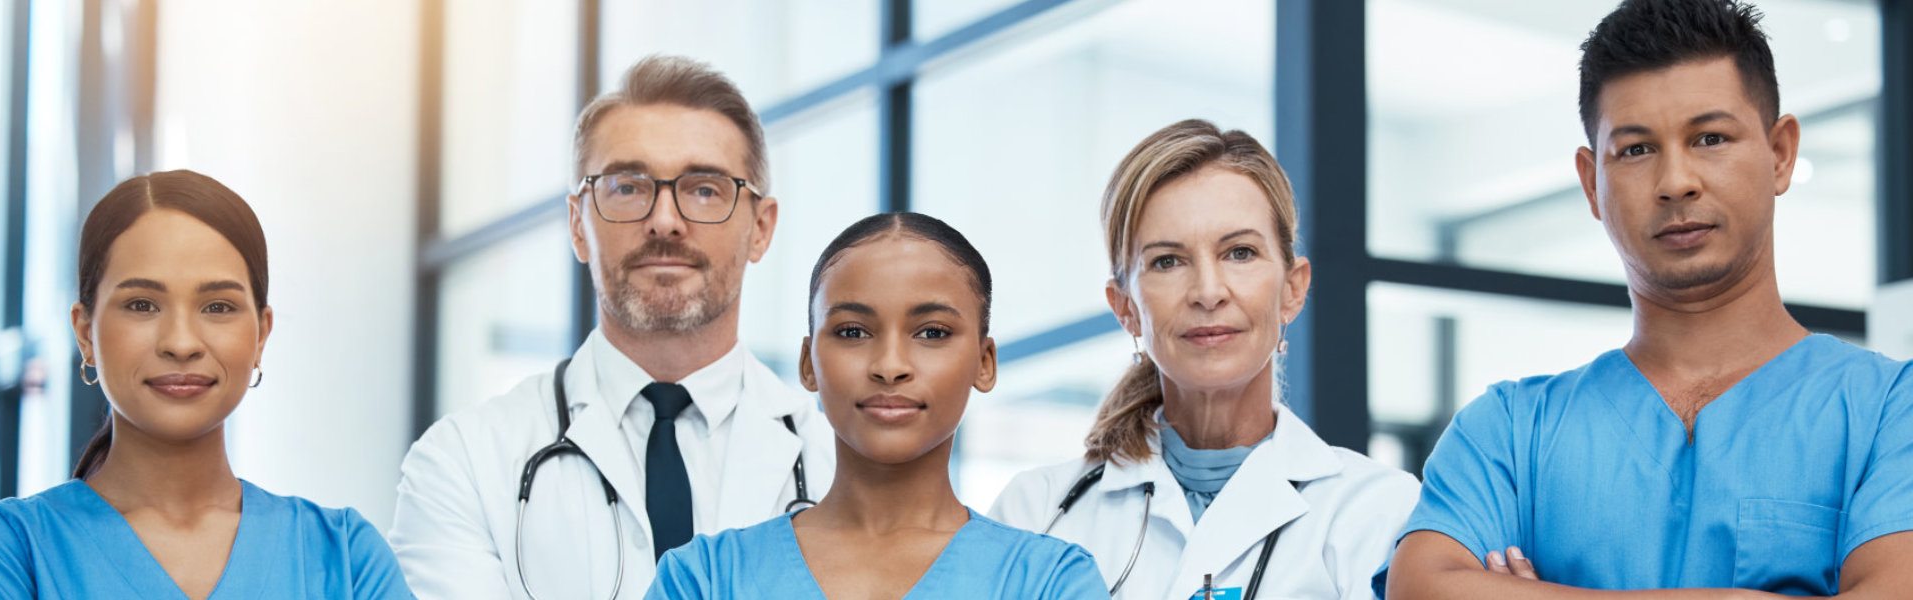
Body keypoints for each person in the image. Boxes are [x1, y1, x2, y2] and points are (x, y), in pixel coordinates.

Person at [1377, 1, 1913, 597]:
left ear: (1780, 152)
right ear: (1591, 183)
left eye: (1711, 137)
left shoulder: (1892, 411)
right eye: (1635, 149)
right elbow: (1422, 588)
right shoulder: (1507, 430)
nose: (1675, 182)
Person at [389, 54, 835, 599]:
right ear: (579, 225)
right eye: (628, 187)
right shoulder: (463, 462)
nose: (666, 220)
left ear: (761, 228)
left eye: (704, 189)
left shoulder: (833, 463)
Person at [990, 119, 1420, 599]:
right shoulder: (1038, 511)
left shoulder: (1379, 511)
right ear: (1125, 307)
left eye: (1240, 252)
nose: (1208, 292)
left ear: (1292, 290)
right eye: (1168, 261)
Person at [0, 170, 413, 599]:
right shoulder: (11, 551)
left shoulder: (346, 557)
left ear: (261, 336)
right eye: (142, 305)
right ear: (85, 333)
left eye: (217, 306)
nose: (181, 343)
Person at [647, 212, 1107, 599]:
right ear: (808, 363)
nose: (890, 366)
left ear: (984, 363)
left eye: (932, 333)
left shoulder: (1050, 582)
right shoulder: (703, 579)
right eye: (853, 332)